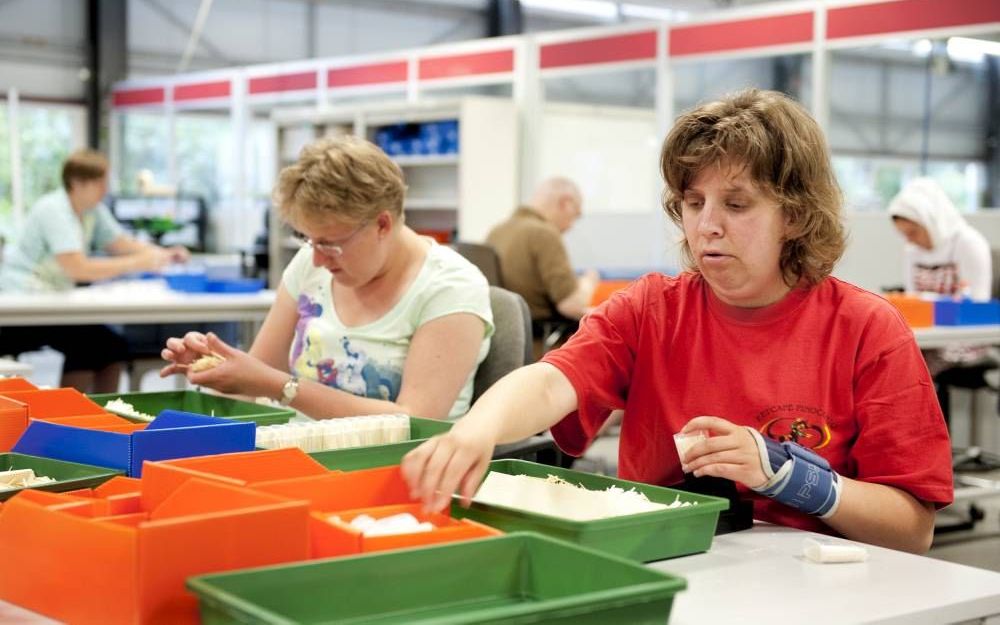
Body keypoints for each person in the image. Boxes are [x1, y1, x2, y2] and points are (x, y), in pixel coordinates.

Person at [402, 89, 953, 554]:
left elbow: (912, 531)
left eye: (736, 205)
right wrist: (476, 429)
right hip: (673, 567)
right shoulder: (651, 310)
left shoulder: (866, 329)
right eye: (693, 203)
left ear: (796, 215)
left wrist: (790, 477)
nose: (707, 226)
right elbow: (552, 380)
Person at [161, 136, 494, 420]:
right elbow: (256, 378)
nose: (318, 258)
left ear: (382, 224)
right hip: (295, 453)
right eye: (309, 240)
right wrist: (222, 368)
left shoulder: (451, 288)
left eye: (330, 244)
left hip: (392, 469)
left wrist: (280, 387)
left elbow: (414, 422)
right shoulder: (311, 262)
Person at [0, 149, 188, 393]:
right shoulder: (53, 209)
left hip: (55, 303)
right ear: (77, 183)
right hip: (23, 306)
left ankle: (104, 414)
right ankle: (66, 419)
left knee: (112, 345)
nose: (105, 189)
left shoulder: (92, 210)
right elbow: (78, 269)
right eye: (99, 183)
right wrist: (138, 262)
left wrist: (162, 254)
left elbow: (121, 243)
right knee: (89, 344)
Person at [888, 177, 993, 379]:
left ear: (931, 221)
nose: (909, 240)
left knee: (911, 368)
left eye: (913, 232)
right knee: (888, 357)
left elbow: (978, 301)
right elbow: (914, 298)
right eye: (904, 234)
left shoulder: (969, 242)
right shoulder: (912, 250)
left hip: (964, 337)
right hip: (930, 336)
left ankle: (925, 408)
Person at [486, 177, 599, 325]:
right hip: (542, 342)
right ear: (565, 203)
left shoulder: (497, 231)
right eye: (576, 215)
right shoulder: (545, 234)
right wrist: (588, 282)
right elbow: (571, 306)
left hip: (505, 338)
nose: (571, 226)